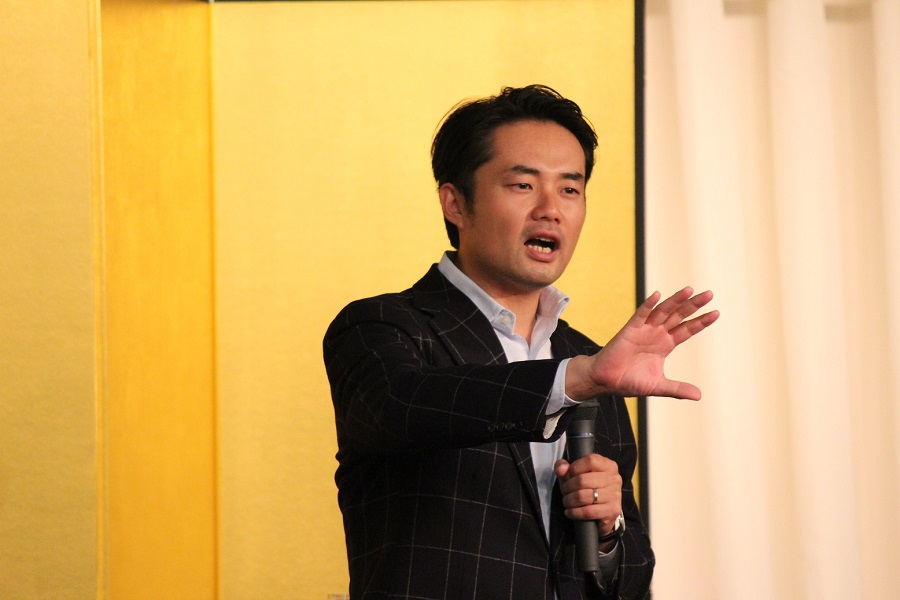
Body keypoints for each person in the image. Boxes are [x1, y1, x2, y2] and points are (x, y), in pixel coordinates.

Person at [323, 85, 718, 600]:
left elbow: (630, 581)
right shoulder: (383, 327)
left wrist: (608, 531)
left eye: (570, 189)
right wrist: (576, 379)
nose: (551, 210)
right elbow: (401, 406)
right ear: (455, 203)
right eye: (523, 185)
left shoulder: (588, 361)